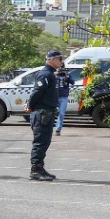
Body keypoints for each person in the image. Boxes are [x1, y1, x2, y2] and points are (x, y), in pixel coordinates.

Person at [25, 50, 64, 181]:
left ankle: (40, 167)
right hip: (41, 113)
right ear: (51, 59)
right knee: (40, 142)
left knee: (45, 141)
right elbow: (37, 92)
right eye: (59, 58)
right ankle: (35, 170)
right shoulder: (45, 74)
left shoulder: (51, 74)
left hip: (47, 113)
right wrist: (30, 105)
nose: (61, 61)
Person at [54, 57, 74, 135]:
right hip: (54, 95)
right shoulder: (53, 73)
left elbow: (73, 82)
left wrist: (67, 77)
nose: (61, 68)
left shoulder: (67, 73)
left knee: (61, 113)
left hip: (64, 96)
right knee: (51, 112)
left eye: (62, 66)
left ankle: (58, 129)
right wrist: (55, 76)